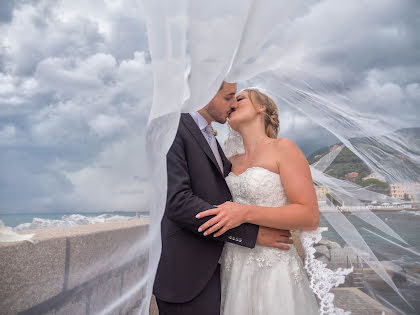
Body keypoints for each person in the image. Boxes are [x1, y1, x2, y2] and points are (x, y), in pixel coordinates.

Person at [153, 82, 293, 315]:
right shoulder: (172, 126)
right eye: (229, 97)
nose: (232, 105)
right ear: (206, 92)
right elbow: (177, 202)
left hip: (227, 270)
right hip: (187, 273)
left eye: (237, 99)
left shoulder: (214, 142)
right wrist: (253, 234)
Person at [196, 88, 320, 314]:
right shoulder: (228, 161)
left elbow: (309, 216)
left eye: (240, 98)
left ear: (261, 107)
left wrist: (244, 213)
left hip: (274, 266)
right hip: (234, 266)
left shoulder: (283, 148)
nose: (232, 102)